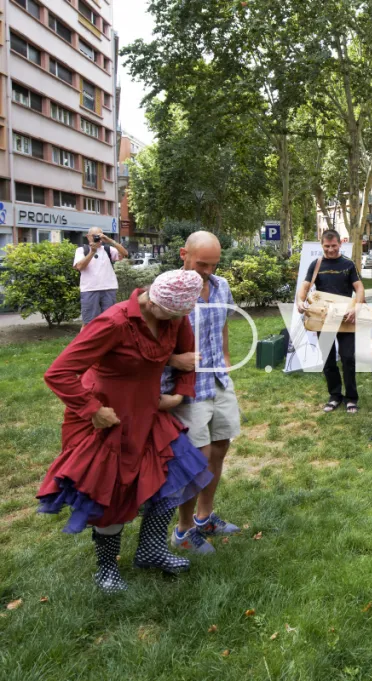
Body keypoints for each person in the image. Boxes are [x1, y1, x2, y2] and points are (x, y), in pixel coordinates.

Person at [36, 270, 212, 593]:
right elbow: (58, 372)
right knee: (113, 493)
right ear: (154, 300)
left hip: (148, 412)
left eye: (180, 317)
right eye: (171, 315)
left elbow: (189, 357)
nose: (175, 322)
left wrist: (179, 393)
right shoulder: (114, 322)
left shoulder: (175, 316)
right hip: (110, 417)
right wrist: (92, 410)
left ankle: (152, 549)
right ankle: (107, 569)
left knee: (171, 473)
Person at [160, 232, 243, 555]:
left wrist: (225, 356)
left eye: (213, 264)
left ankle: (204, 517)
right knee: (197, 458)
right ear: (184, 254)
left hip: (218, 381)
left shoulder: (221, 286)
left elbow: (221, 322)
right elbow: (148, 337)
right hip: (187, 387)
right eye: (201, 264)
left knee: (221, 446)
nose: (207, 271)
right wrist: (173, 360)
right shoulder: (169, 289)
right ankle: (183, 530)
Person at [297, 230, 366, 414]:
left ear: (339, 244)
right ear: (322, 245)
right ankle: (335, 395)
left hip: (346, 318)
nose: (330, 249)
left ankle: (351, 398)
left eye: (333, 246)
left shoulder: (348, 264)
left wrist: (356, 307)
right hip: (324, 319)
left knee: (348, 358)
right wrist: (299, 301)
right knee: (328, 360)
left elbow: (359, 288)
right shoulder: (316, 264)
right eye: (327, 246)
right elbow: (305, 286)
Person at [73, 226, 128, 328]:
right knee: (88, 323)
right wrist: (92, 252)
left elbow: (125, 253)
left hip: (108, 288)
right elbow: (79, 266)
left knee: (110, 321)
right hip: (89, 289)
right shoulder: (81, 250)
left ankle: (107, 343)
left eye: (99, 236)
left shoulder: (107, 249)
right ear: (88, 236)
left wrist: (110, 240)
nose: (97, 238)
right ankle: (85, 343)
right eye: (94, 236)